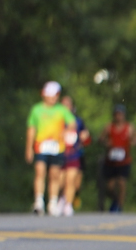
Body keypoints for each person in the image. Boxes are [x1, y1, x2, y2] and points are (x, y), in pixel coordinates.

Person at [27, 83, 76, 216]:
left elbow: (72, 122)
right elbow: (31, 129)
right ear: (44, 94)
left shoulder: (61, 109)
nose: (53, 98)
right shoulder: (36, 109)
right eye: (50, 94)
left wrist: (66, 131)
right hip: (40, 146)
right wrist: (29, 148)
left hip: (57, 147)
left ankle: (52, 202)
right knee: (40, 172)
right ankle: (38, 201)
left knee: (54, 175)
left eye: (55, 95)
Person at [59, 94, 90, 216]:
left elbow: (85, 134)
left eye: (68, 105)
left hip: (74, 154)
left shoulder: (78, 121)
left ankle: (68, 204)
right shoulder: (57, 121)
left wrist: (85, 136)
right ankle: (60, 198)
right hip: (60, 154)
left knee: (71, 181)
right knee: (60, 180)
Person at [101, 105, 134, 213]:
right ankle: (115, 200)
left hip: (124, 160)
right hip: (111, 160)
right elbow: (101, 139)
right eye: (116, 114)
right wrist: (106, 143)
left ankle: (120, 206)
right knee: (109, 186)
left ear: (124, 115)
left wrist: (132, 141)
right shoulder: (109, 127)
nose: (118, 117)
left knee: (121, 183)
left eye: (120, 114)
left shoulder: (129, 127)